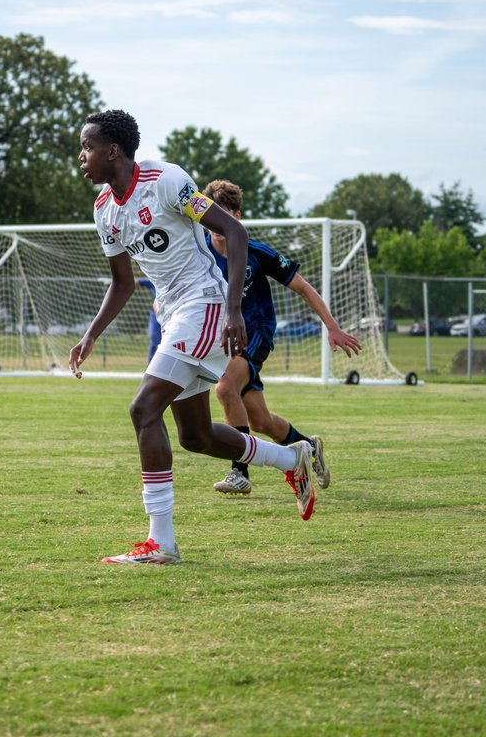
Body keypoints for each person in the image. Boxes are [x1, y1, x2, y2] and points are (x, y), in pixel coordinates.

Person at [69, 109, 316, 566]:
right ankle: (290, 460)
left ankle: (160, 542)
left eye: (86, 147)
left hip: (203, 304)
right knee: (196, 436)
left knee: (143, 409)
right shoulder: (104, 210)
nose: (81, 156)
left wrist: (234, 309)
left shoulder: (167, 181)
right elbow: (122, 283)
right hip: (174, 314)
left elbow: (234, 231)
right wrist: (90, 336)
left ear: (112, 150)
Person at [201, 180, 362, 495]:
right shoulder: (198, 250)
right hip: (223, 338)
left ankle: (239, 472)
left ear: (237, 216)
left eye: (225, 215)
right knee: (260, 421)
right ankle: (310, 447)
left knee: (224, 389)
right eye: (211, 216)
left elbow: (301, 286)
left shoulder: (256, 253)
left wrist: (332, 325)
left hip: (255, 332)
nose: (217, 225)